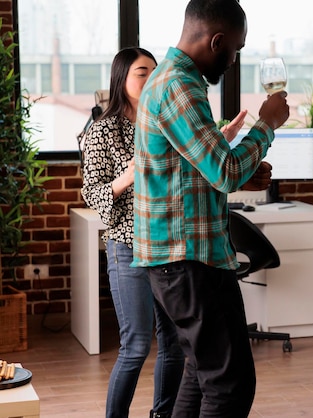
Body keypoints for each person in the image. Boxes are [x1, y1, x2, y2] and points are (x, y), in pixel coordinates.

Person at [131, 0, 289, 416]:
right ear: (216, 40)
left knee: (200, 374)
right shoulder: (179, 86)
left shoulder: (173, 81)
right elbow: (224, 170)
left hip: (182, 259)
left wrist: (241, 171)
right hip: (189, 261)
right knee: (230, 385)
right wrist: (267, 125)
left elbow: (200, 168)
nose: (233, 60)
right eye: (234, 50)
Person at [81, 47, 186, 418]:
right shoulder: (102, 130)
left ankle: (163, 414)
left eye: (155, 71)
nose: (151, 78)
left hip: (166, 245)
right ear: (121, 79)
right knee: (137, 345)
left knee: (174, 343)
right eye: (143, 72)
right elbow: (92, 193)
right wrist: (126, 177)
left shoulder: (162, 123)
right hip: (127, 248)